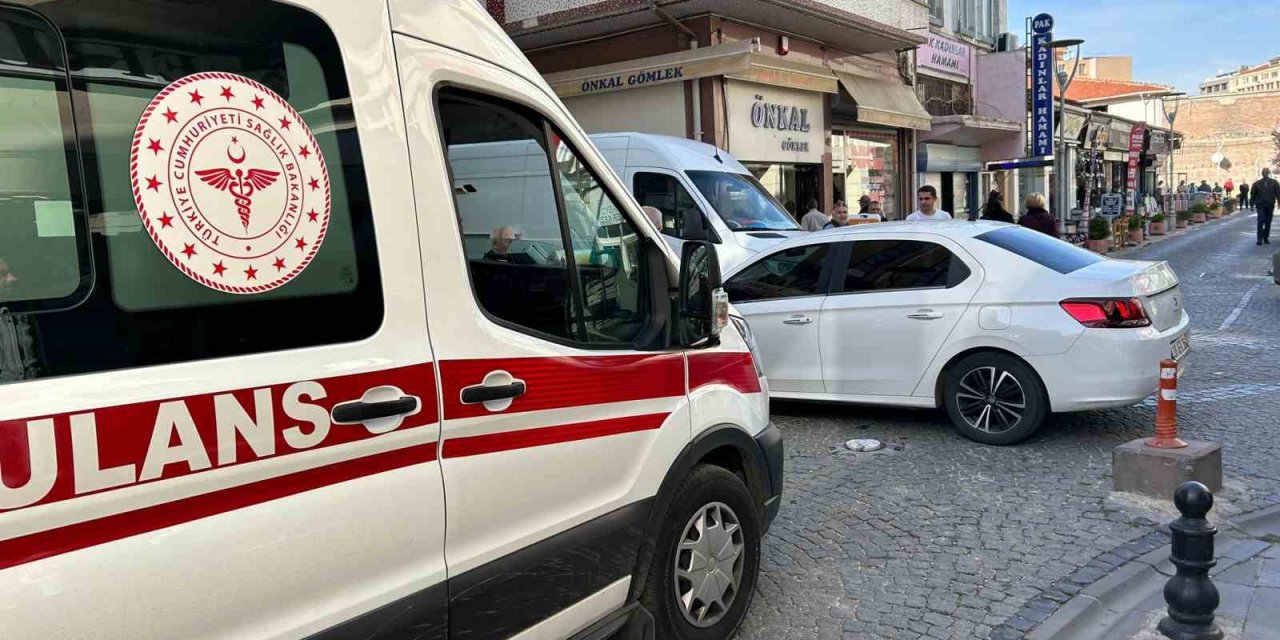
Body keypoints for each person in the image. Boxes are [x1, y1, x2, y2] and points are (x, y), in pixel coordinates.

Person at [1250, 168, 1280, 245]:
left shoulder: (1274, 182)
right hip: (1260, 205)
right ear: (1262, 173)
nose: (1265, 173)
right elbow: (1253, 195)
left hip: (1270, 204)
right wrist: (1251, 204)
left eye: (1267, 172)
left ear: (1269, 173)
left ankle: (1266, 237)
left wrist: (1279, 203)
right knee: (1260, 221)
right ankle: (1259, 239)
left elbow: (1278, 193)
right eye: (1264, 172)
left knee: (1268, 222)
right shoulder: (1257, 183)